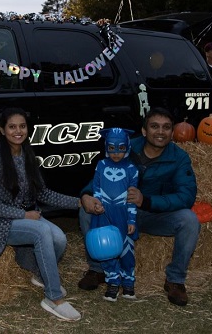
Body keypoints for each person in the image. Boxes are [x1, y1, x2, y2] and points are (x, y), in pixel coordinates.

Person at [0, 107, 82, 321]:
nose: (18, 131)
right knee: (42, 231)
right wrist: (23, 215)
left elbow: (43, 192)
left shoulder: (27, 154)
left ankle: (39, 273)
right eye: (12, 127)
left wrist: (79, 202)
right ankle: (53, 298)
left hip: (24, 217)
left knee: (60, 238)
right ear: (2, 130)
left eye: (22, 126)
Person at [78, 107, 200, 307]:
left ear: (172, 132)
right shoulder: (125, 147)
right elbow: (101, 176)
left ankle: (175, 280)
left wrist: (147, 201)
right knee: (86, 212)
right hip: (119, 213)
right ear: (144, 131)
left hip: (155, 215)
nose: (160, 132)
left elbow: (186, 196)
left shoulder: (179, 158)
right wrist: (86, 195)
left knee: (189, 220)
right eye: (154, 126)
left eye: (166, 127)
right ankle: (98, 269)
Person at [88, 127, 139, 302]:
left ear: (127, 147)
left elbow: (132, 197)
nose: (116, 153)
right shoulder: (101, 165)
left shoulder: (132, 169)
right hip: (104, 215)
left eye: (121, 148)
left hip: (124, 215)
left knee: (126, 251)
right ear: (106, 147)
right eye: (112, 148)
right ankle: (113, 282)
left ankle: (128, 282)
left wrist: (132, 219)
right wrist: (97, 204)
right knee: (107, 250)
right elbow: (96, 188)